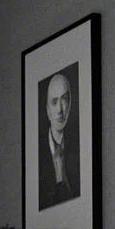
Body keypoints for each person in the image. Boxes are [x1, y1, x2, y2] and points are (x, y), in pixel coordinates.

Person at [37, 69, 79, 210]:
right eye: (54, 102)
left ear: (71, 103)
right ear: (48, 110)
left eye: (64, 99)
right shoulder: (37, 154)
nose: (60, 109)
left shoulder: (79, 147)